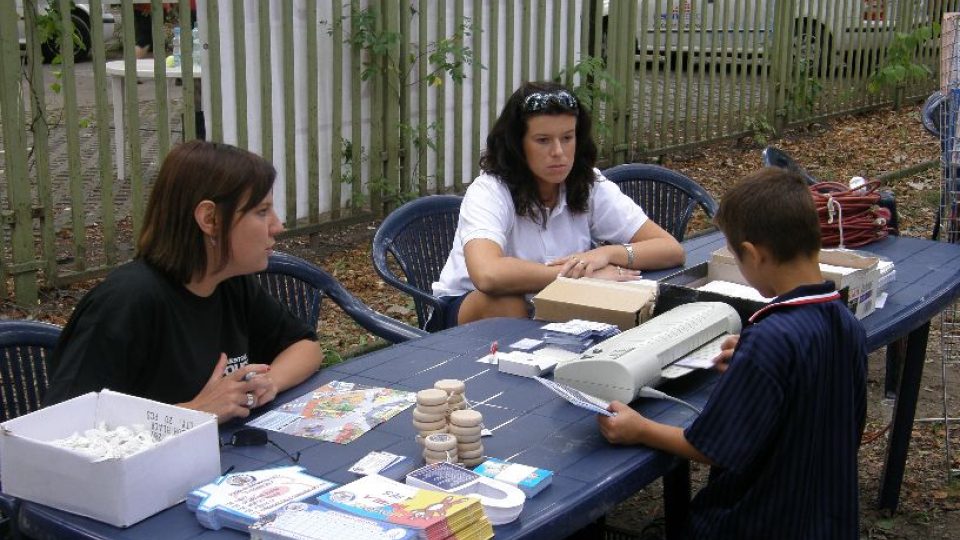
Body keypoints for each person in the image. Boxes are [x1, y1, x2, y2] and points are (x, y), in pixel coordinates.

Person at [597, 167, 868, 538]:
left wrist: (639, 428)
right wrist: (757, 362)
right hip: (826, 519)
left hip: (759, 522)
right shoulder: (845, 323)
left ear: (753, 255)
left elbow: (711, 446)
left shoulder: (769, 340)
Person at [43, 141, 323, 423]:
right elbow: (65, 427)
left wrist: (268, 383)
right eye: (262, 212)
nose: (277, 226)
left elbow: (305, 346)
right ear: (210, 219)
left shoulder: (229, 283)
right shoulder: (126, 301)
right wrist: (196, 413)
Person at [431, 81, 685, 330]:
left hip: (553, 310)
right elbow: (488, 274)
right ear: (517, 145)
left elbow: (670, 249)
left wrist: (605, 254)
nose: (559, 152)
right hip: (466, 312)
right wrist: (580, 277)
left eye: (567, 137)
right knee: (504, 302)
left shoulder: (588, 183)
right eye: (543, 140)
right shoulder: (490, 190)